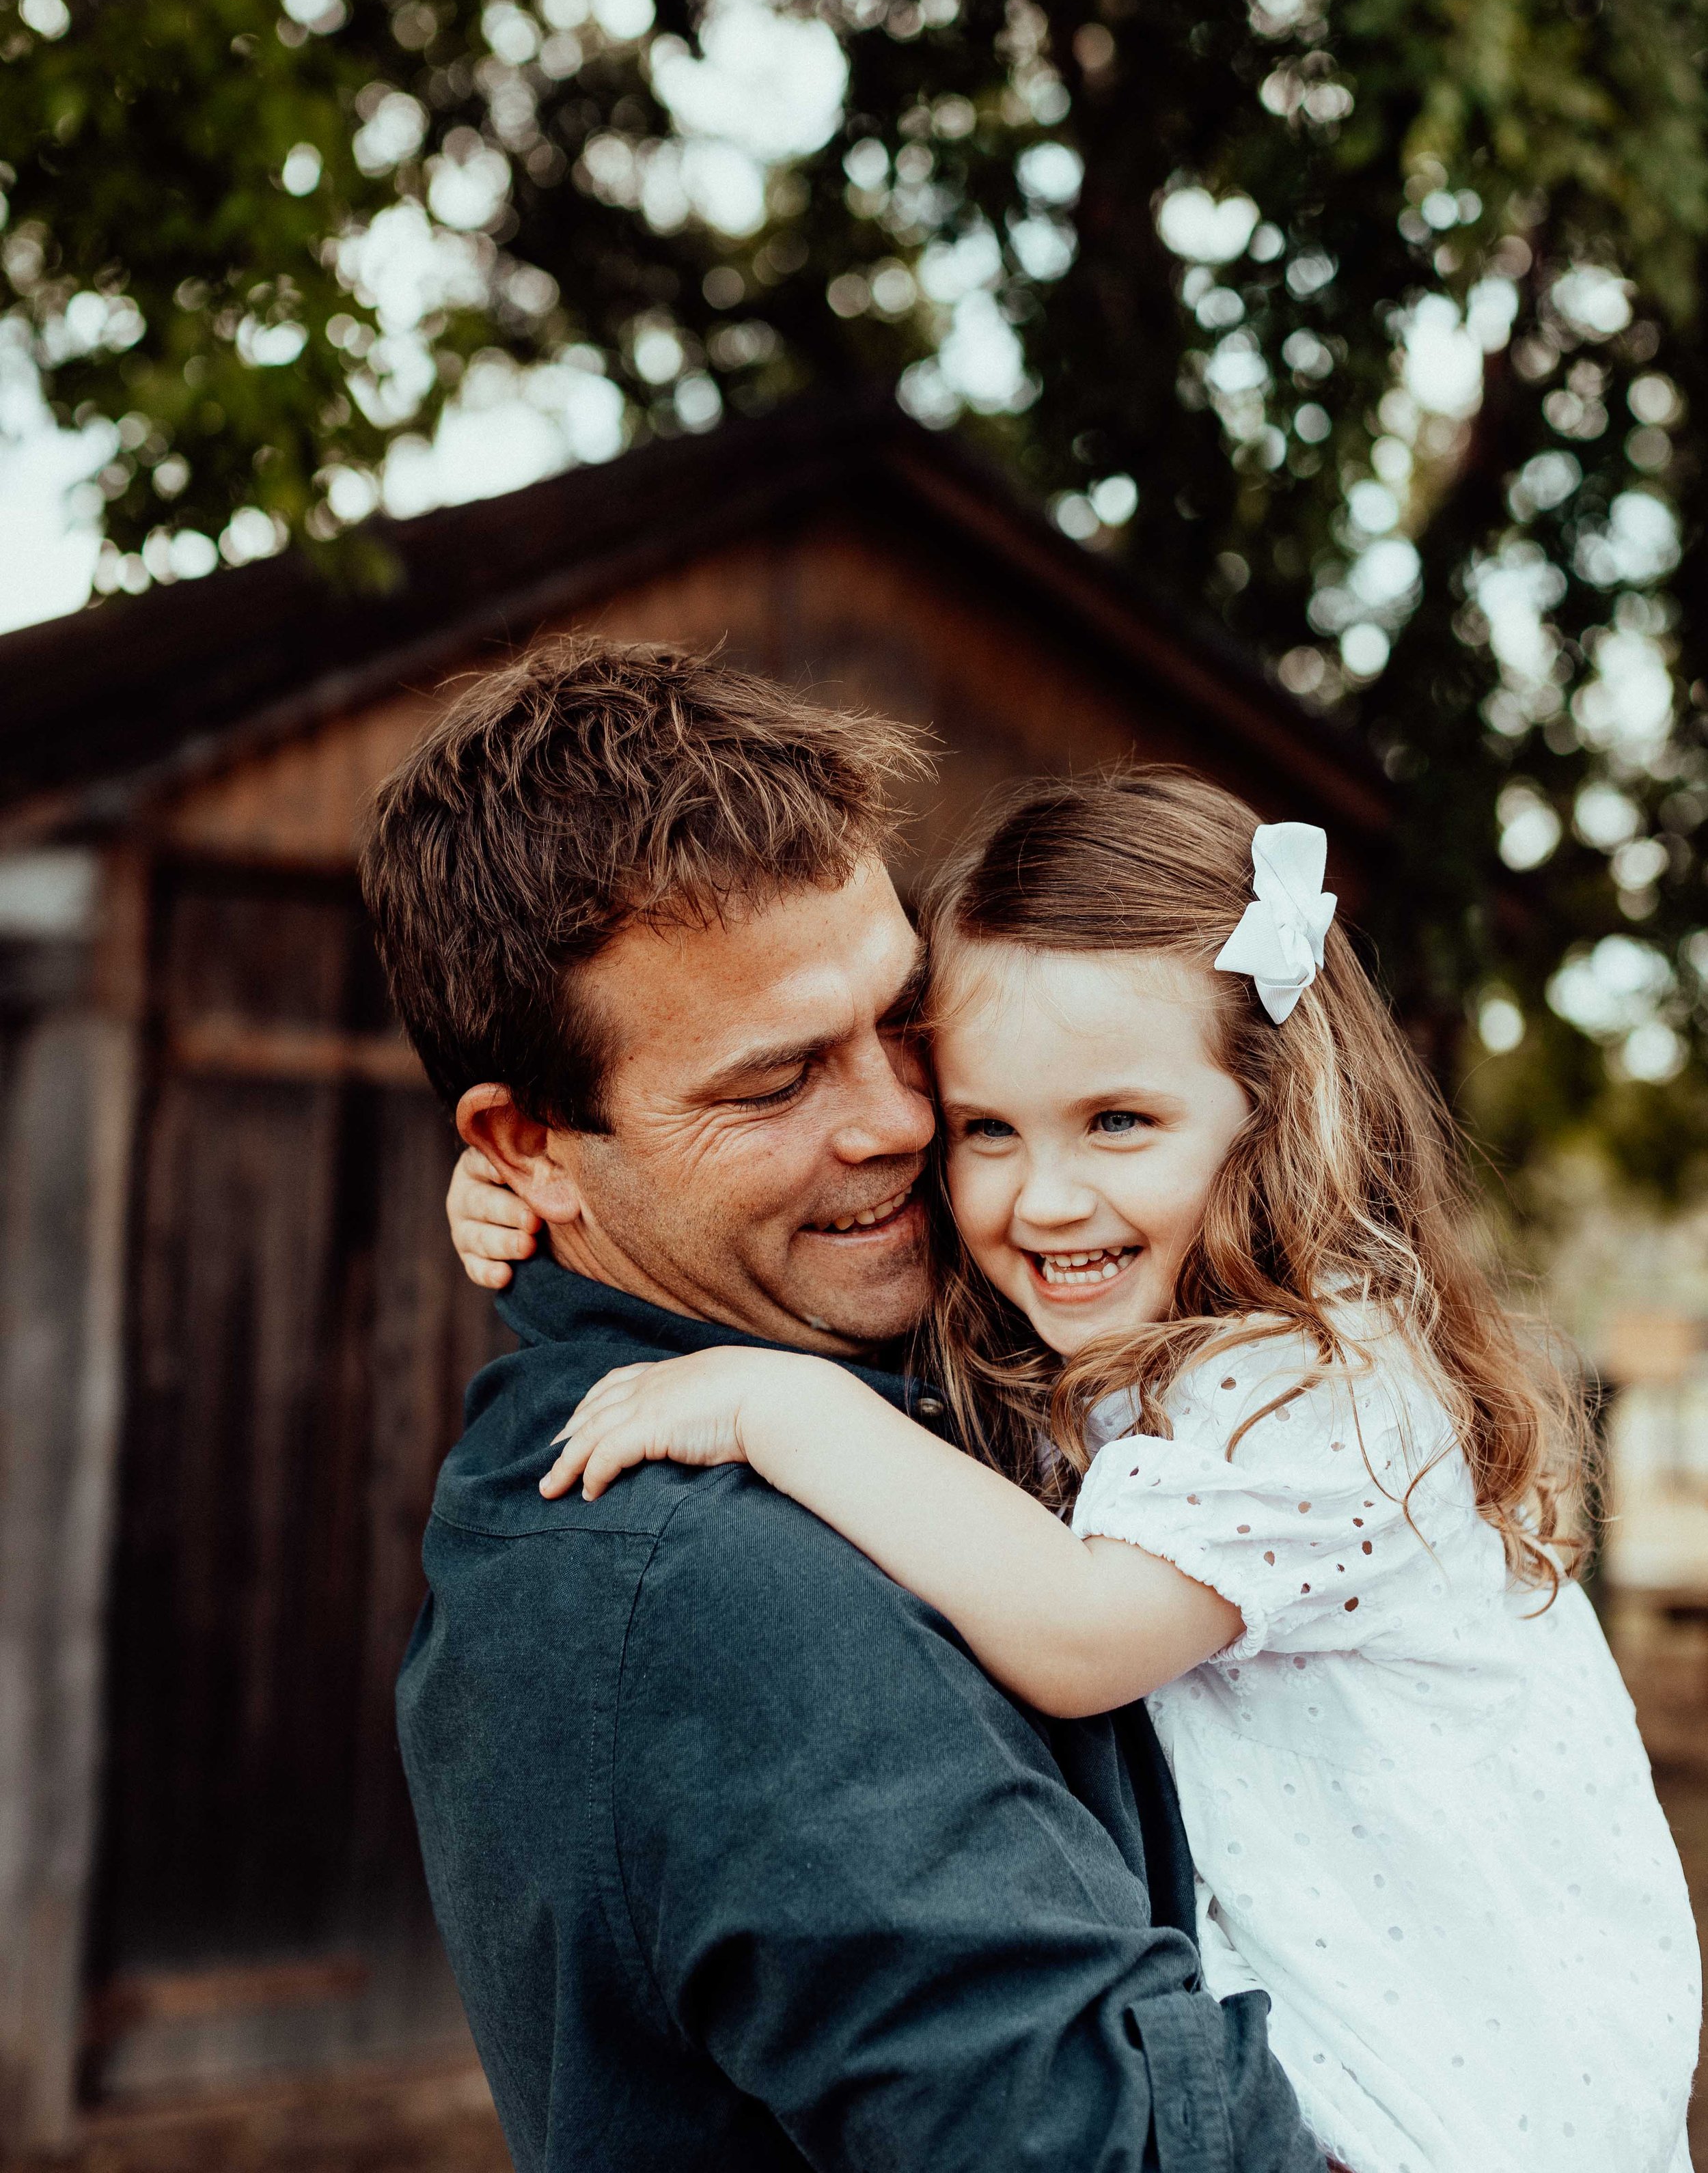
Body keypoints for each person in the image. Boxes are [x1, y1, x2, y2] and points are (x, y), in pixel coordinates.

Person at [466, 773, 1700, 2173]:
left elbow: (1073, 1634)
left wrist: (778, 1410)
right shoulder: (1117, 1340)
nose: (1040, 1197)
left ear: (1269, 1111)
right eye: (987, 1128)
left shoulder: (1315, 1392)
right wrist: (548, 1183)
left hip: (1459, 2097)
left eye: (1118, 1122)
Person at [363, 639, 1327, 2173]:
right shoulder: (719, 1597)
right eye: (772, 1084)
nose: (895, 1119)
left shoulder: (921, 1352)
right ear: (531, 1142)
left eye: (900, 1018)